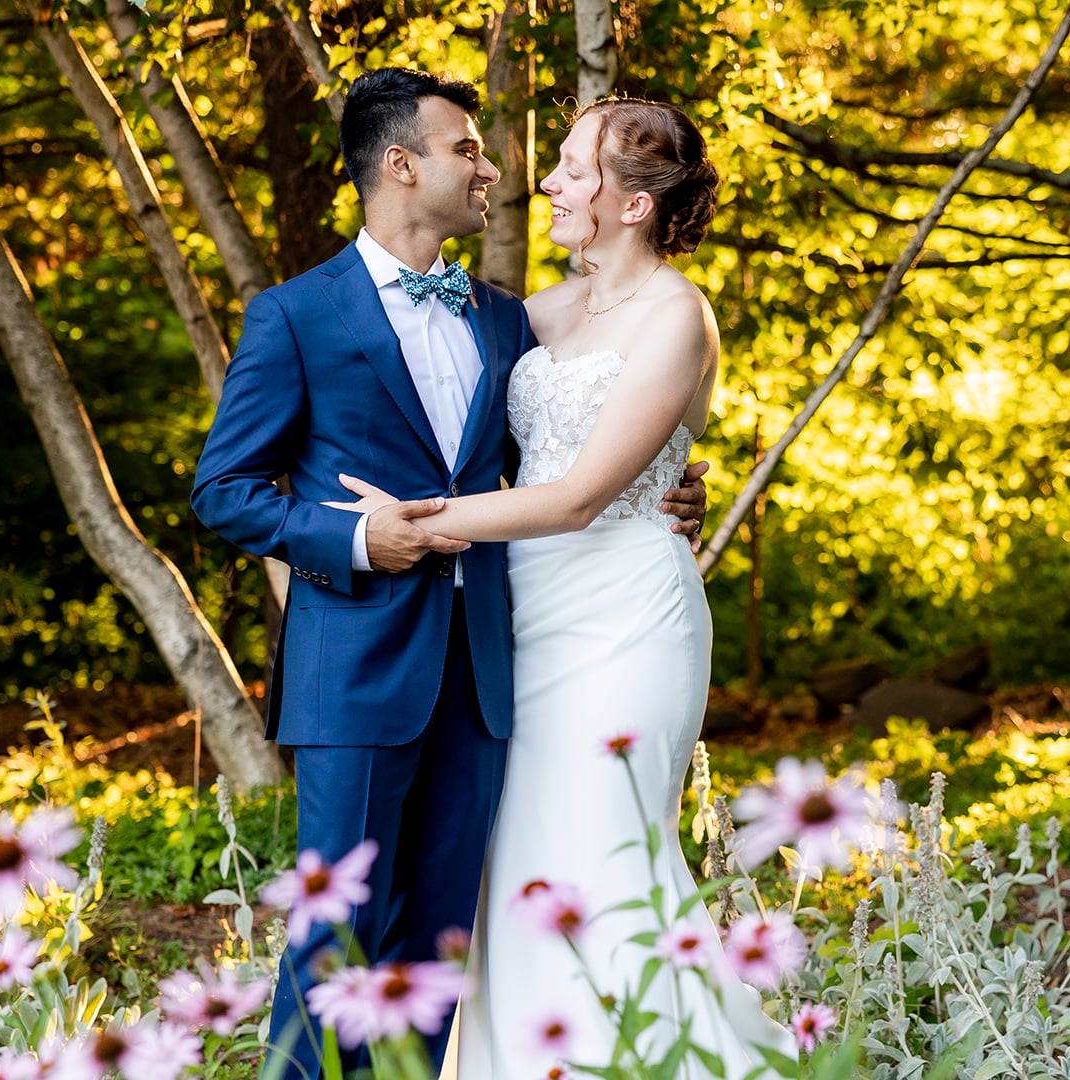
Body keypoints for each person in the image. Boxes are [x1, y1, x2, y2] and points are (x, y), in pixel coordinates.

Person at [188, 70, 705, 1080]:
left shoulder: (509, 320)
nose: (493, 167)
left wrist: (679, 486)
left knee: (438, 946)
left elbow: (586, 451)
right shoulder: (295, 316)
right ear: (400, 163)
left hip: (488, 674)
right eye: (467, 148)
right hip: (356, 671)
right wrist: (353, 539)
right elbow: (224, 492)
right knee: (333, 941)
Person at [335, 98, 795, 1079]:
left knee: (605, 850)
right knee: (521, 864)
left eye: (575, 170)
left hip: (627, 616)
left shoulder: (680, 315)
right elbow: (423, 388)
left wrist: (417, 522)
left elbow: (583, 496)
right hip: (521, 622)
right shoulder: (539, 312)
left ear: (632, 205)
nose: (548, 183)